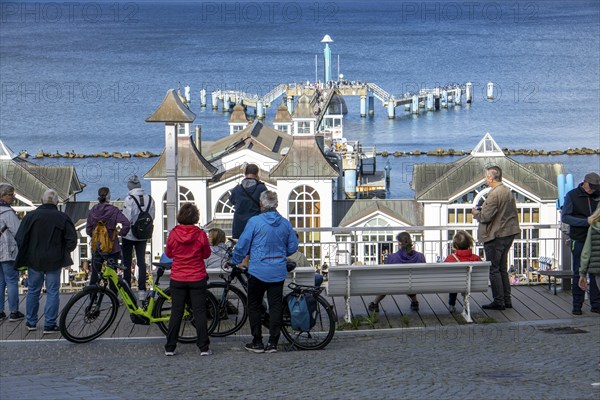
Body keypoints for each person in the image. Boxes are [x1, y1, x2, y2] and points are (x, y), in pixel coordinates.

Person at [231, 190, 298, 353]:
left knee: (254, 305)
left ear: (261, 205)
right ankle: (273, 343)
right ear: (276, 205)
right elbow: (293, 246)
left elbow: (243, 244)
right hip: (277, 271)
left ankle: (257, 342)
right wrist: (281, 254)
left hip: (258, 270)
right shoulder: (285, 223)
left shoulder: (254, 222)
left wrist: (235, 260)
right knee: (275, 306)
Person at [14, 189, 77, 332]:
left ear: (42, 200)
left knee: (33, 290)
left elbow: (19, 238)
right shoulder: (62, 217)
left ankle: (31, 322)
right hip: (55, 258)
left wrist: (28, 252)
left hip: (34, 258)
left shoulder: (31, 216)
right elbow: (72, 240)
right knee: (53, 291)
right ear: (56, 202)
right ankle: (49, 324)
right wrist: (64, 251)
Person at [164, 203, 211, 356]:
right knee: (199, 312)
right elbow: (206, 254)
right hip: (197, 277)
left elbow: (169, 254)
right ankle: (203, 347)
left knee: (176, 312)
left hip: (178, 277)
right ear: (195, 217)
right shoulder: (200, 234)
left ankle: (170, 346)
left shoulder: (173, 233)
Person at [472, 166, 521, 311]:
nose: (485, 179)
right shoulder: (507, 191)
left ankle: (498, 301)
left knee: (494, 269)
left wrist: (475, 212)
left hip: (495, 235)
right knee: (502, 268)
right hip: (508, 233)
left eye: (486, 177)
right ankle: (507, 299)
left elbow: (485, 217)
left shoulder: (494, 195)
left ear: (491, 178)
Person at [562, 172, 600, 315]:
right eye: (591, 187)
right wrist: (586, 222)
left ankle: (596, 304)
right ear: (584, 183)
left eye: (596, 188)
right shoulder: (572, 195)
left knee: (596, 271)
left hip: (596, 238)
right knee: (578, 271)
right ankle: (577, 304)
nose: (593, 190)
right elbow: (565, 217)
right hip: (579, 238)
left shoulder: (598, 193)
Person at [368, 232, 425, 313]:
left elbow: (386, 274)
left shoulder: (391, 257)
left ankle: (374, 304)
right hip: (414, 285)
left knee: (386, 283)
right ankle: (415, 302)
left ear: (399, 243)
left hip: (394, 285)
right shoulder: (420, 256)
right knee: (411, 281)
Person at [86, 187, 130, 287]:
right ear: (109, 196)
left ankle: (93, 297)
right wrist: (120, 234)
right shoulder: (114, 210)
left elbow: (88, 229)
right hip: (112, 247)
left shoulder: (93, 211)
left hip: (97, 247)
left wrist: (95, 236)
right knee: (112, 274)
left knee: (95, 274)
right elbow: (126, 223)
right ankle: (113, 298)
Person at [121, 175, 155, 300]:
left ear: (130, 186)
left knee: (127, 262)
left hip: (129, 235)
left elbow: (127, 219)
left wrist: (122, 232)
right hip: (143, 234)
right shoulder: (150, 199)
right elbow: (152, 217)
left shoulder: (129, 199)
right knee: (141, 262)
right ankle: (142, 291)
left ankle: (128, 291)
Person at [0, 183, 23, 322]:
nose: (13, 197)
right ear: (3, 196)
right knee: (12, 281)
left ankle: (0, 311)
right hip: (7, 251)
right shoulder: (7, 213)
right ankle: (14, 311)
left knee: (0, 281)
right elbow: (18, 232)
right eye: (11, 194)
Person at [444, 231, 482, 313]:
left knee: (453, 284)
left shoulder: (450, 258)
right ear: (469, 244)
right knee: (464, 283)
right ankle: (465, 304)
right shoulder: (476, 258)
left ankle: (451, 304)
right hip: (471, 283)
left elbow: (444, 271)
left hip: (454, 284)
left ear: (454, 245)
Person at [229, 163, 267, 239]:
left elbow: (231, 201)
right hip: (256, 225)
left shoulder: (237, 189)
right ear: (257, 174)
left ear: (245, 174)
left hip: (239, 228)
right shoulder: (261, 188)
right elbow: (266, 205)